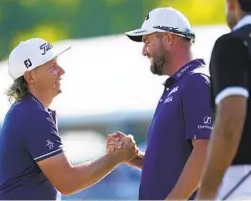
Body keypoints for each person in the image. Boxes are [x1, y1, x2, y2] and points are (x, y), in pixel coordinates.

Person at [0, 38, 138, 200]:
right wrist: (116, 157)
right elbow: (68, 182)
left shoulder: (29, 110)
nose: (61, 71)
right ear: (30, 77)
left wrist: (114, 157)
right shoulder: (31, 113)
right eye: (52, 66)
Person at [107, 7, 214, 200]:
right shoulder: (178, 85)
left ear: (168, 38)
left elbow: (204, 153)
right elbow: (172, 164)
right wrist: (133, 156)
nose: (143, 51)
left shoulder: (195, 82)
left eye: (147, 41)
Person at [196, 0, 251, 200]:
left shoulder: (231, 44)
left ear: (232, 3)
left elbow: (230, 123)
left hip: (241, 180)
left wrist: (207, 192)